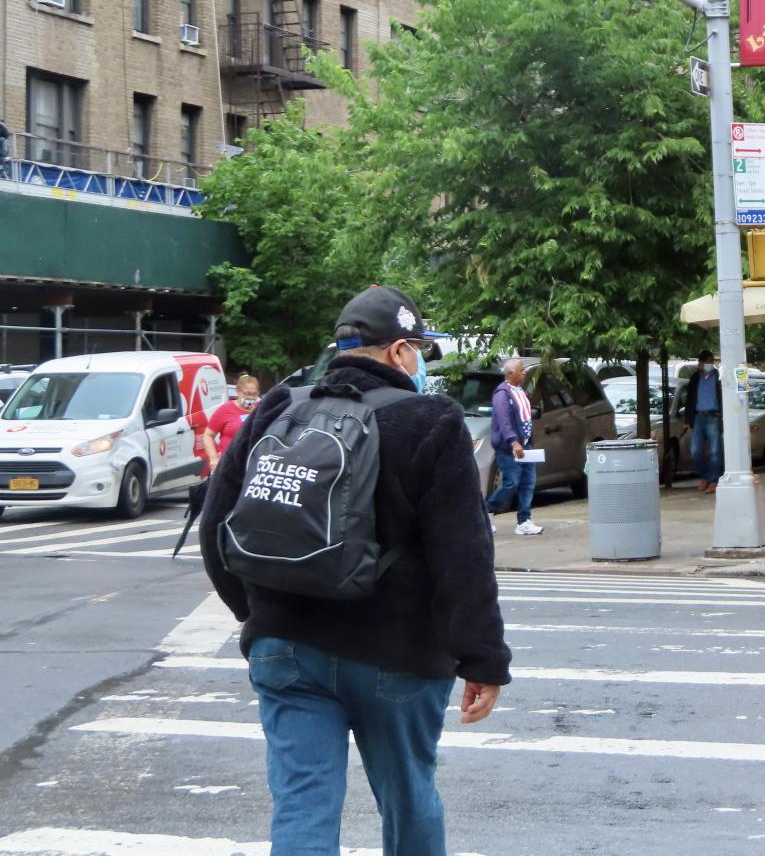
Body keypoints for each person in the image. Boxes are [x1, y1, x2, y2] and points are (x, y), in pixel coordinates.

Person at [199, 284, 510, 855]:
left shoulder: (279, 407)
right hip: (395, 655)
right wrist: (483, 658)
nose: (420, 361)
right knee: (409, 799)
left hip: (284, 646)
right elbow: (463, 555)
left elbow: (217, 525)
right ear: (397, 352)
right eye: (419, 349)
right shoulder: (431, 420)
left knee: (302, 805)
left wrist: (262, 613)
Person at [486, 357, 543, 535]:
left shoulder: (521, 391)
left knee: (528, 483)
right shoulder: (502, 394)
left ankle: (524, 521)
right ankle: (485, 512)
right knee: (511, 483)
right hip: (509, 447)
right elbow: (504, 421)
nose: (525, 372)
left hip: (525, 446)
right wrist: (514, 441)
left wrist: (527, 442)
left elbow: (524, 416)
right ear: (511, 374)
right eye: (521, 370)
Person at [682, 349, 723, 493]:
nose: (709, 365)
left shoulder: (718, 377)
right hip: (698, 417)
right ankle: (706, 476)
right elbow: (689, 400)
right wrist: (688, 419)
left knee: (715, 451)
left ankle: (713, 480)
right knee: (695, 451)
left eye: (711, 362)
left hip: (713, 416)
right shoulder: (695, 378)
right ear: (700, 363)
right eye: (707, 362)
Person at [203, 373, 260, 473]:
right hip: (228, 463)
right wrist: (213, 458)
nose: (250, 397)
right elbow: (208, 435)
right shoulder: (225, 409)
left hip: (252, 464)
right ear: (238, 392)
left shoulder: (262, 409)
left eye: (254, 394)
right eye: (247, 393)